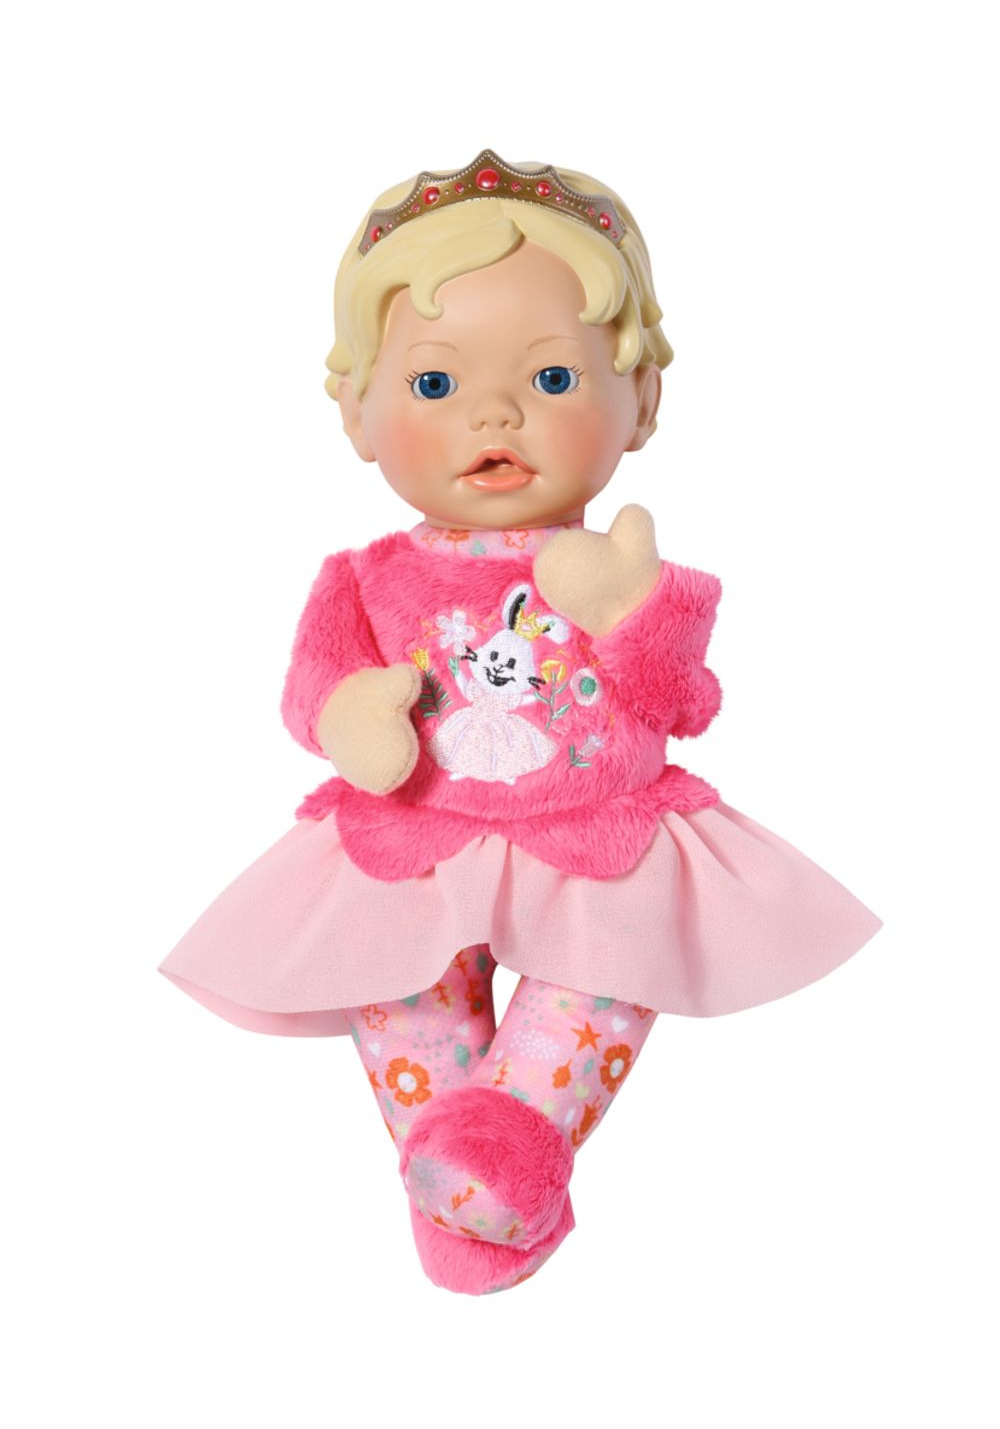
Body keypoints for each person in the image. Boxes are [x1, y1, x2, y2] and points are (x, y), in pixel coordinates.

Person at [159, 150, 881, 1295]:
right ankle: (476, 1205)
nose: (494, 415)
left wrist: (630, 615)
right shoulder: (362, 575)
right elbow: (312, 689)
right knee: (406, 1012)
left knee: (588, 1002)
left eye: (551, 378)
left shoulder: (629, 570)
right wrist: (351, 716)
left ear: (642, 404)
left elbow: (681, 704)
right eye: (434, 385)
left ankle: (501, 1177)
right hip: (409, 843)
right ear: (355, 412)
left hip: (595, 844)